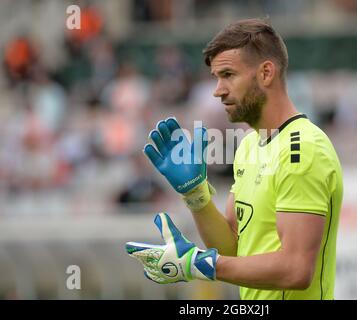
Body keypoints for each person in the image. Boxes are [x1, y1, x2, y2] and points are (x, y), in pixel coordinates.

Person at [126, 18, 343, 300]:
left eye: (228, 75)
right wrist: (196, 194)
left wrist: (199, 264)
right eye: (216, 78)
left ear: (266, 73)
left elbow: (296, 270)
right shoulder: (249, 145)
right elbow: (234, 249)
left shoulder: (303, 150)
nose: (218, 90)